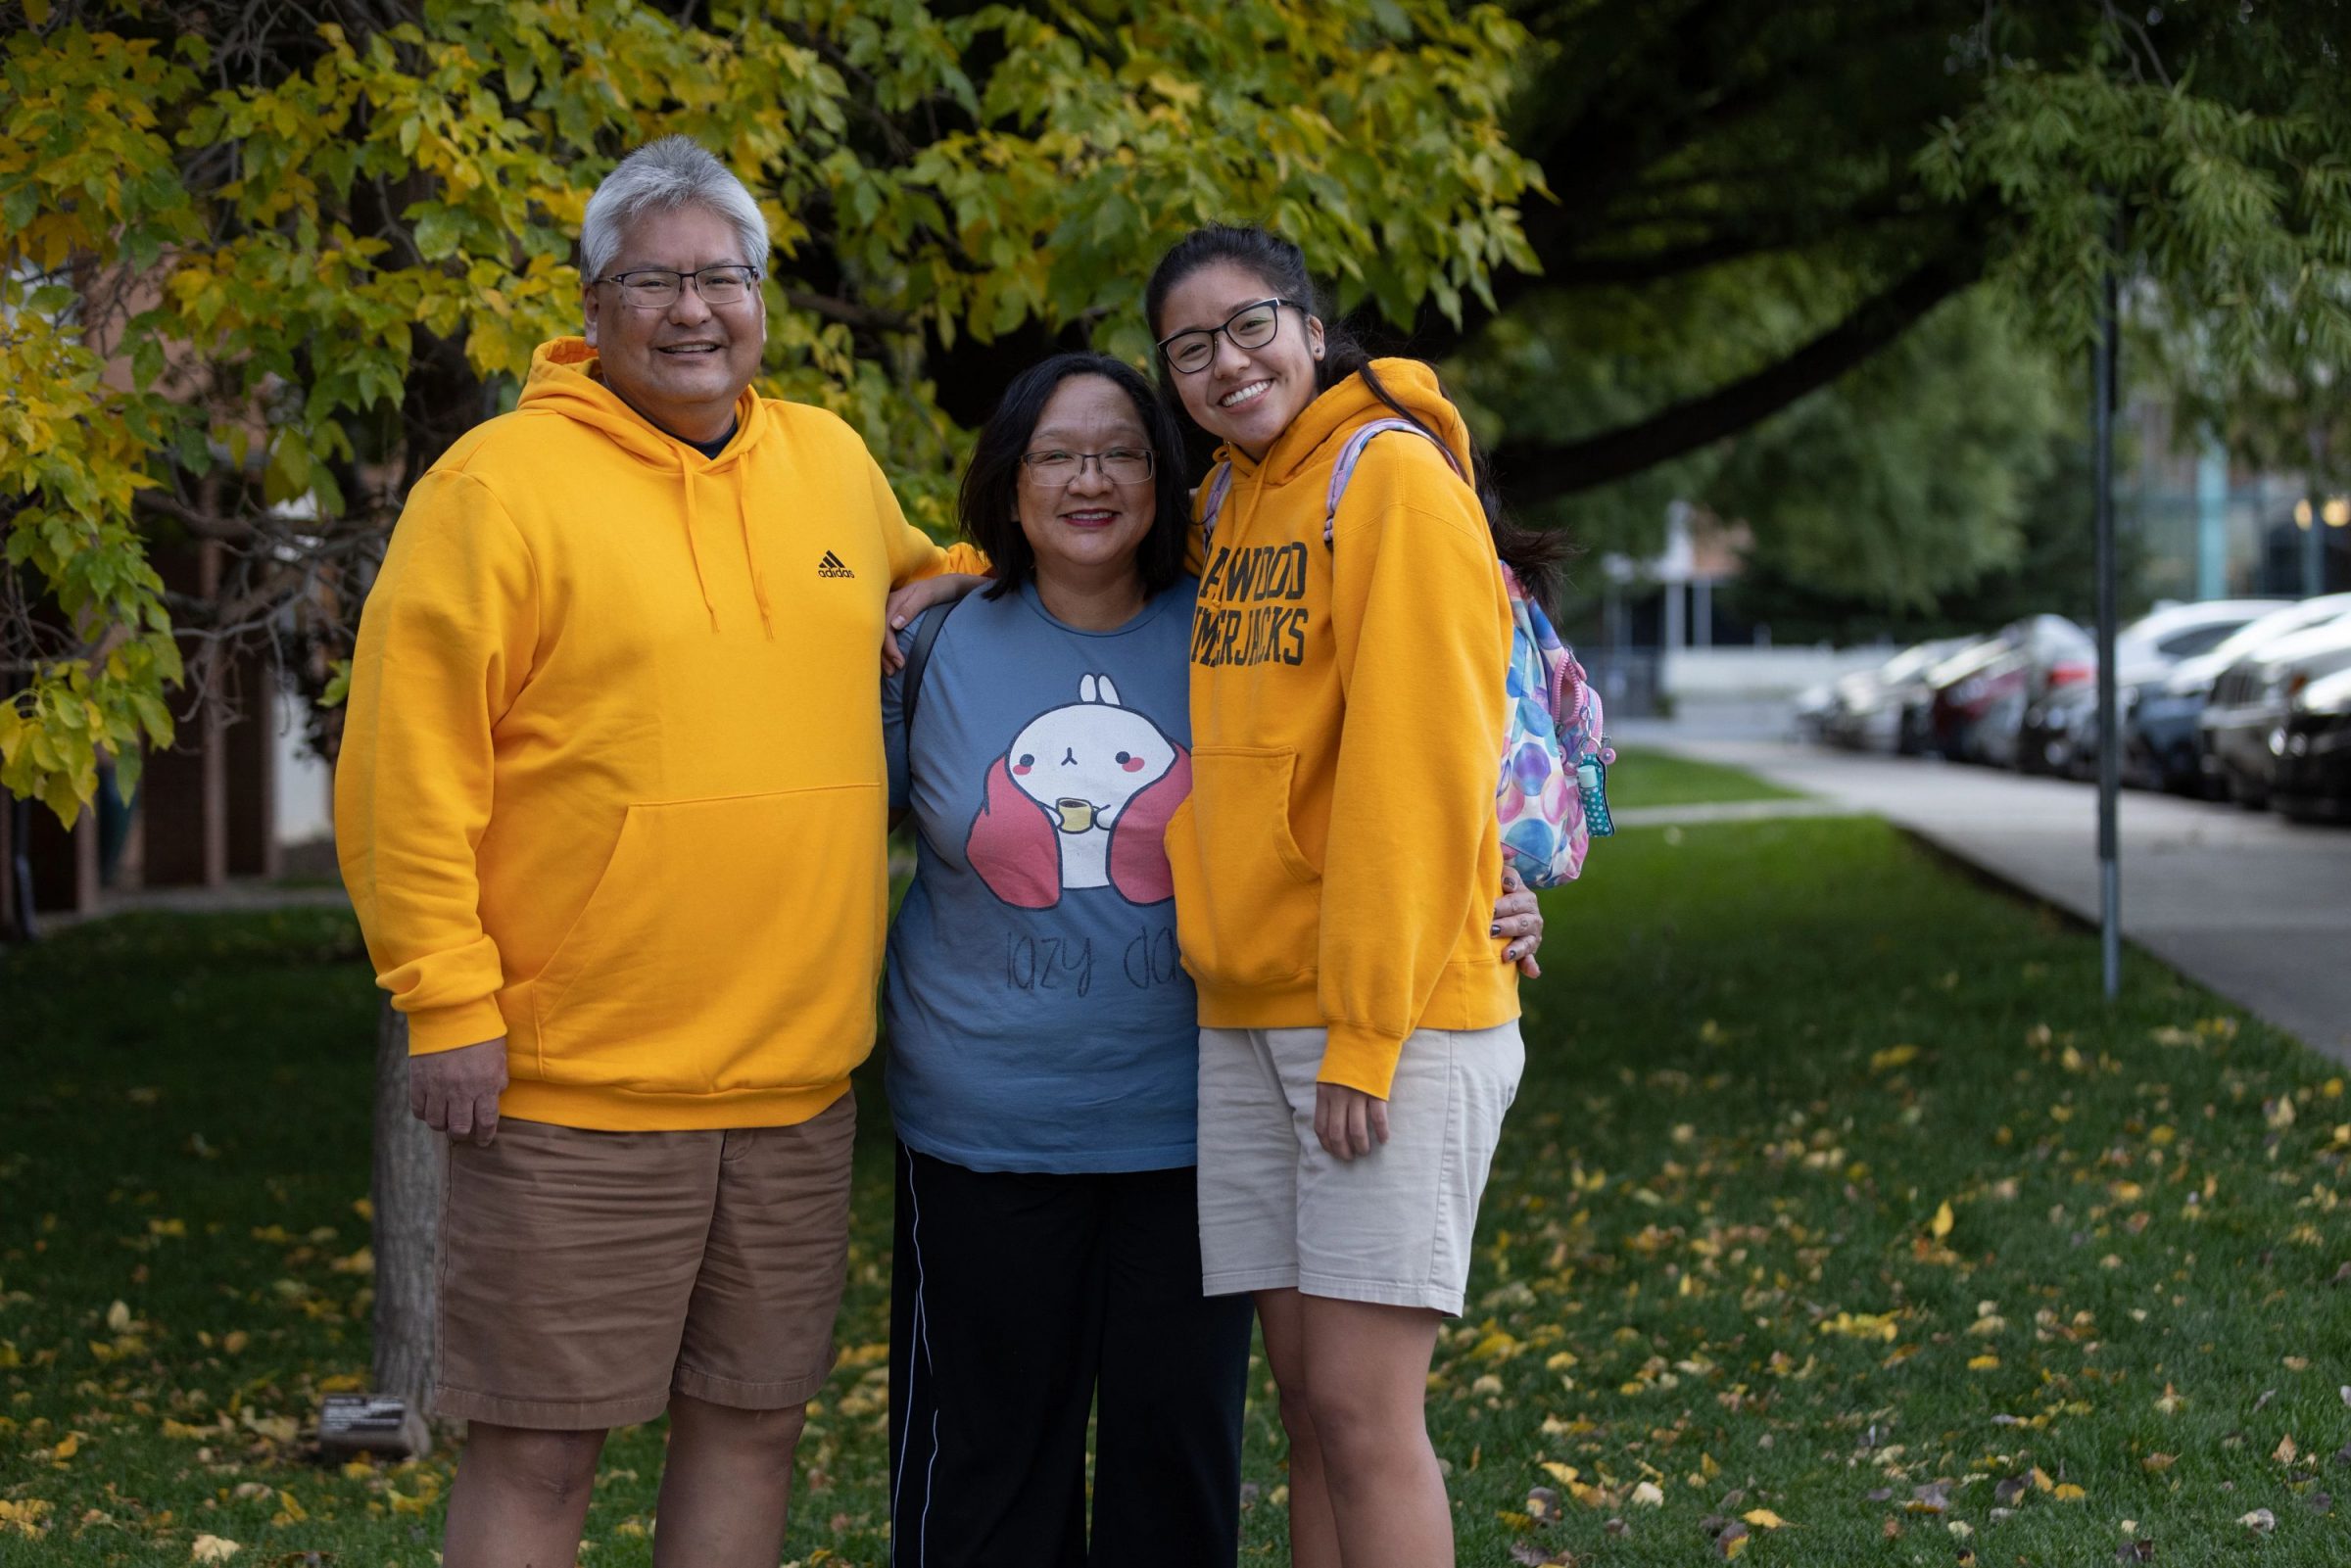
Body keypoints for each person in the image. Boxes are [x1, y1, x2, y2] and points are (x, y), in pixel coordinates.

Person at [334, 135, 985, 1568]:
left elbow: (937, 579)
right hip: (574, 1086)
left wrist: (945, 596)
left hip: (796, 1076)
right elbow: (404, 765)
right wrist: (446, 1002)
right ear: (591, 300)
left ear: (763, 295)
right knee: (541, 1445)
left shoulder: (829, 458)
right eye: (654, 281)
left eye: (724, 277)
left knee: (754, 1427)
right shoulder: (495, 487)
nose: (695, 310)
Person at [1149, 224, 1566, 1568]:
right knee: (1308, 1409)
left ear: (1313, 328)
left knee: (1365, 1414)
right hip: (1250, 1006)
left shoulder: (1385, 476)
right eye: (1190, 348)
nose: (1225, 362)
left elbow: (1417, 766)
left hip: (1386, 1018)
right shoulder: (1227, 501)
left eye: (1250, 324)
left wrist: (1369, 1027)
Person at [879, 352, 1254, 1567]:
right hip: (983, 1128)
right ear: (1011, 477)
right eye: (1057, 453)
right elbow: (819, 818)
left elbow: (1357, 794)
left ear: (1167, 473)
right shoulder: (930, 643)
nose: (1090, 478)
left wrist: (1494, 888)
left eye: (1123, 452)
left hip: (1198, 1125)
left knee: (1177, 1469)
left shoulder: (1232, 632)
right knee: (987, 1471)